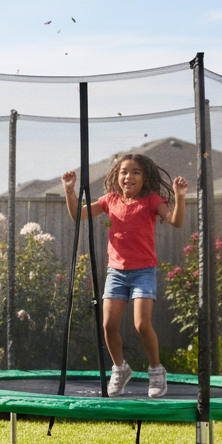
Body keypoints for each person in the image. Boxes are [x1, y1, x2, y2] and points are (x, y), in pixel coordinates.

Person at [62, 154, 187, 398]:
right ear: (116, 176)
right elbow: (79, 215)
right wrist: (70, 191)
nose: (128, 176)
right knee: (109, 325)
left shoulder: (152, 200)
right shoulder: (110, 200)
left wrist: (180, 197)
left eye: (136, 172)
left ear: (145, 177)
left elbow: (176, 221)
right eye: (124, 172)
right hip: (116, 272)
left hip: (143, 271)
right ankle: (120, 369)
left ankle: (156, 371)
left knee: (141, 324)